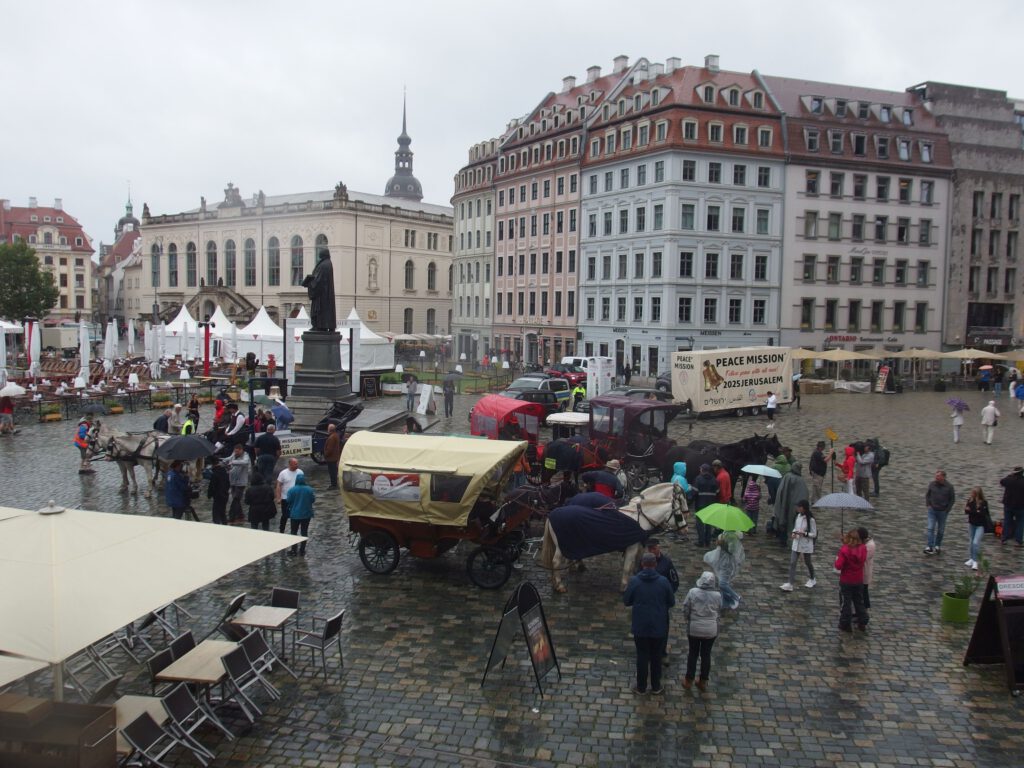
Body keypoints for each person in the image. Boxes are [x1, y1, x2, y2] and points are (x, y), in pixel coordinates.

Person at [622, 551, 675, 695]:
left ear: (642, 564)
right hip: (658, 625)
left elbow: (627, 601)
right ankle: (656, 686)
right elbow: (671, 602)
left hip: (640, 625)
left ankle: (641, 687)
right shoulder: (663, 581)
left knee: (642, 656)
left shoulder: (634, 581)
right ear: (655, 564)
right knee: (656, 656)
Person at [682, 571, 722, 692]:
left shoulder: (693, 592)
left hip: (694, 628)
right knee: (706, 655)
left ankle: (689, 679)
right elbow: (719, 609)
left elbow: (686, 607)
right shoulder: (717, 595)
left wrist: (688, 618)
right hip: (710, 629)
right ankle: (703, 681)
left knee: (693, 653)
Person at [835, 529, 868, 632]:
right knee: (859, 601)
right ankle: (862, 621)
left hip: (846, 580)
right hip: (858, 580)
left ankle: (845, 623)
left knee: (846, 603)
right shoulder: (863, 548)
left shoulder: (844, 550)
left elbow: (838, 566)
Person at [780, 500, 816, 591]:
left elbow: (814, 534)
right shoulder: (798, 517)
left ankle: (812, 578)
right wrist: (793, 533)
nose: (797, 508)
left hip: (806, 544)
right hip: (796, 542)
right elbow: (795, 528)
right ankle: (790, 583)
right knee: (792, 562)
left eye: (799, 506)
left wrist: (804, 534)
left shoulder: (811, 520)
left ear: (803, 507)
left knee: (808, 562)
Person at [773, 461, 808, 547]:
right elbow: (804, 495)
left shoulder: (787, 477)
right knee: (792, 522)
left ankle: (783, 540)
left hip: (787, 505)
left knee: (784, 520)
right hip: (794, 506)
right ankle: (789, 540)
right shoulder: (800, 480)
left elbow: (780, 491)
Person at [704, 532, 744, 609]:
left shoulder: (733, 537)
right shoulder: (725, 534)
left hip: (728, 564)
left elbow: (732, 551)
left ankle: (736, 597)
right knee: (722, 582)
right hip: (722, 562)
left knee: (722, 584)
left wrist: (723, 544)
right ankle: (726, 601)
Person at [303, 247, 337, 332]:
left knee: (319, 311)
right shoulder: (328, 263)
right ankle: (323, 325)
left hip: (321, 296)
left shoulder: (324, 265)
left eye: (320, 253)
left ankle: (319, 325)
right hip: (325, 294)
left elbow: (318, 280)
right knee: (325, 311)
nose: (319, 255)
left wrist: (309, 283)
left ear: (323, 254)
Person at [924, 470, 956, 555]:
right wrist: (928, 504)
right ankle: (929, 546)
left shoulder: (949, 487)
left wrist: (947, 510)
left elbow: (952, 499)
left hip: (942, 511)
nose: (936, 477)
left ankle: (937, 545)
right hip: (932, 510)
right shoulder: (932, 484)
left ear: (943, 477)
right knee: (930, 528)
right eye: (936, 475)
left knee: (941, 530)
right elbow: (928, 495)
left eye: (938, 476)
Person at [286, 473, 315, 556]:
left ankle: (294, 550)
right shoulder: (309, 489)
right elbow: (312, 500)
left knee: (294, 532)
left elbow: (288, 501)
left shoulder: (292, 490)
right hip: (306, 514)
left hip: (295, 515)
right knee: (304, 532)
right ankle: (302, 550)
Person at [693, 464, 719, 547]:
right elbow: (718, 492)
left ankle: (701, 541)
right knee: (708, 523)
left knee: (700, 524)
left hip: (700, 504)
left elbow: (695, 492)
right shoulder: (714, 480)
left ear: (702, 470)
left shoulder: (698, 479)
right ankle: (707, 542)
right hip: (711, 505)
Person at [963, 486, 988, 571]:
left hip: (980, 525)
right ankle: (971, 558)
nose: (972, 494)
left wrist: (972, 511)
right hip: (971, 524)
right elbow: (966, 511)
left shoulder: (983, 503)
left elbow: (983, 513)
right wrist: (975, 511)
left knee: (975, 543)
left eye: (973, 493)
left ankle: (975, 561)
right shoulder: (970, 501)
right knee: (971, 542)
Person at [998, 466, 1024, 547]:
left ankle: (1004, 538)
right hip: (1020, 506)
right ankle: (1018, 540)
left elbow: (1002, 482)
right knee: (1020, 523)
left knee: (1007, 521)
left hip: (1008, 505)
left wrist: (1010, 475)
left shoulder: (1009, 479)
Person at [276, 458, 302, 533]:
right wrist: (278, 497)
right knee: (285, 515)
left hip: (297, 498)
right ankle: (281, 530)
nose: (297, 465)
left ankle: (294, 531)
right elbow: (278, 485)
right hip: (285, 498)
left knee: (295, 516)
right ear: (290, 464)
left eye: (297, 463)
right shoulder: (283, 473)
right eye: (295, 464)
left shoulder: (300, 472)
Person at [227, 442, 250, 524]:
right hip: (232, 481)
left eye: (237, 451)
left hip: (241, 482)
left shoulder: (246, 456)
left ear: (241, 450)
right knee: (236, 499)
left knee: (236, 499)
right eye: (235, 451)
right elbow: (229, 458)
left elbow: (245, 462)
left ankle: (231, 516)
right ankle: (240, 515)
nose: (236, 453)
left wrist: (233, 462)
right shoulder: (233, 455)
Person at [206, 458, 230, 525]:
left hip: (218, 496)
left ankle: (217, 526)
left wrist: (209, 494)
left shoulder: (215, 474)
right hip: (225, 495)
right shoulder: (224, 472)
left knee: (216, 513)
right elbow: (228, 483)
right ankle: (225, 525)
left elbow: (212, 486)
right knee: (222, 512)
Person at [858, 527, 876, 608]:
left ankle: (864, 609)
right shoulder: (866, 543)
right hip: (862, 572)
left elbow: (862, 558)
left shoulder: (870, 545)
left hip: (864, 572)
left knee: (864, 592)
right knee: (861, 592)